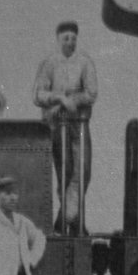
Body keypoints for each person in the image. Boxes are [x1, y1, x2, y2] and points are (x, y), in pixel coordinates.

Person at [33, 20, 99, 232]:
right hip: (57, 126)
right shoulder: (49, 63)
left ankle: (65, 218)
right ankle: (76, 223)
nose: (70, 42)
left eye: (73, 38)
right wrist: (60, 98)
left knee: (83, 171)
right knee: (65, 173)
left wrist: (75, 100)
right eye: (65, 38)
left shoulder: (85, 62)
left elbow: (92, 93)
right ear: (58, 39)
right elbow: (38, 95)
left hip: (79, 124)